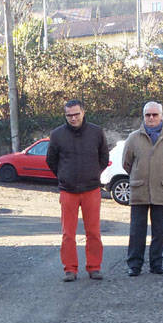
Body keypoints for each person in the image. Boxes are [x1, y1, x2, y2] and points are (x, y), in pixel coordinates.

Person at [46, 99, 109, 281]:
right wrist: (64, 175)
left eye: (76, 114)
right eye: (69, 115)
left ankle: (94, 267)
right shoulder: (57, 135)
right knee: (68, 234)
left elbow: (104, 157)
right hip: (68, 190)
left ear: (83, 112)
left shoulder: (96, 132)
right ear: (65, 116)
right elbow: (51, 160)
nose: (73, 118)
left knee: (94, 232)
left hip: (91, 189)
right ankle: (70, 269)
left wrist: (94, 173)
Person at [121, 101, 163, 276]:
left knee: (158, 230)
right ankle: (134, 265)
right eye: (148, 115)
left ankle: (156, 264)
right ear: (143, 116)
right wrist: (139, 175)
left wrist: (161, 176)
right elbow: (126, 163)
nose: (151, 118)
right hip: (139, 190)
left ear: (161, 116)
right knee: (136, 230)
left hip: (161, 190)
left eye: (155, 114)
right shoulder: (133, 138)